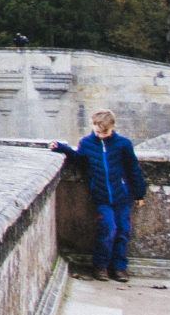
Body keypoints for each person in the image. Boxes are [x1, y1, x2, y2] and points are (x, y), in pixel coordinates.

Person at [50, 110, 148, 282]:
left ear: (112, 127)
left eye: (105, 132)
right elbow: (80, 160)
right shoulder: (87, 143)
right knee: (108, 229)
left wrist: (139, 193)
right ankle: (100, 266)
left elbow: (133, 169)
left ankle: (119, 268)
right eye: (97, 131)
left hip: (122, 195)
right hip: (101, 196)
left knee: (123, 231)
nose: (101, 135)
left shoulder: (123, 144)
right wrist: (63, 148)